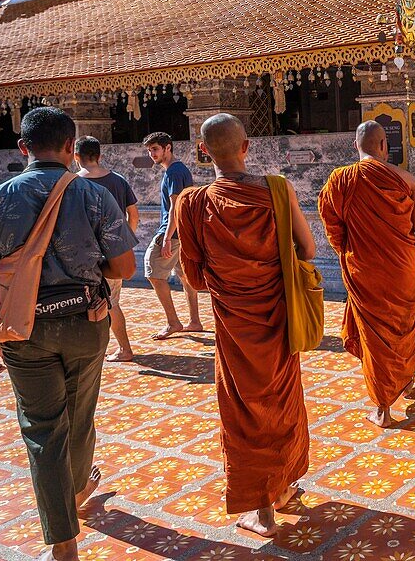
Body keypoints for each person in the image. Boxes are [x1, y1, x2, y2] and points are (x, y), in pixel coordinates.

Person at [0, 107, 137, 561]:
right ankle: (77, 488)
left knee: (43, 430)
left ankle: (63, 543)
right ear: (69, 147)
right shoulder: (95, 197)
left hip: (23, 330)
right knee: (80, 414)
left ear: (23, 149)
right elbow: (123, 267)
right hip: (86, 321)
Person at [175, 114, 311, 538]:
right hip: (277, 319)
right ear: (246, 146)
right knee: (281, 401)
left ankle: (263, 510)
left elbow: (194, 279)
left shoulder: (193, 204)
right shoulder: (277, 190)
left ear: (202, 152)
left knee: (243, 412)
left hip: (234, 327)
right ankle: (282, 488)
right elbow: (306, 250)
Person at [319, 121, 415, 427]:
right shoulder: (406, 180)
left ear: (355, 147)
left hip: (364, 271)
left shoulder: (340, 180)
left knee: (375, 338)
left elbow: (332, 225)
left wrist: (349, 252)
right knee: (403, 324)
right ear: (385, 146)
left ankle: (383, 408)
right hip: (400, 267)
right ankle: (405, 381)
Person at [74, 136, 140, 362]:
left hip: (82, 256)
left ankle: (95, 351)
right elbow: (134, 214)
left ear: (76, 157)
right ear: (99, 155)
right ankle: (124, 348)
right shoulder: (118, 181)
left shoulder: (73, 183)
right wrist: (123, 242)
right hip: (113, 257)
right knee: (112, 303)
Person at [142, 132, 202, 339]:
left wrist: (167, 238)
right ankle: (194, 321)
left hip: (172, 232)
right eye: (149, 150)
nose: (152, 154)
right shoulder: (175, 170)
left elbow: (175, 206)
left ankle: (173, 322)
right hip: (181, 232)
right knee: (185, 276)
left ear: (168, 148)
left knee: (152, 272)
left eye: (155, 149)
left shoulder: (175, 172)